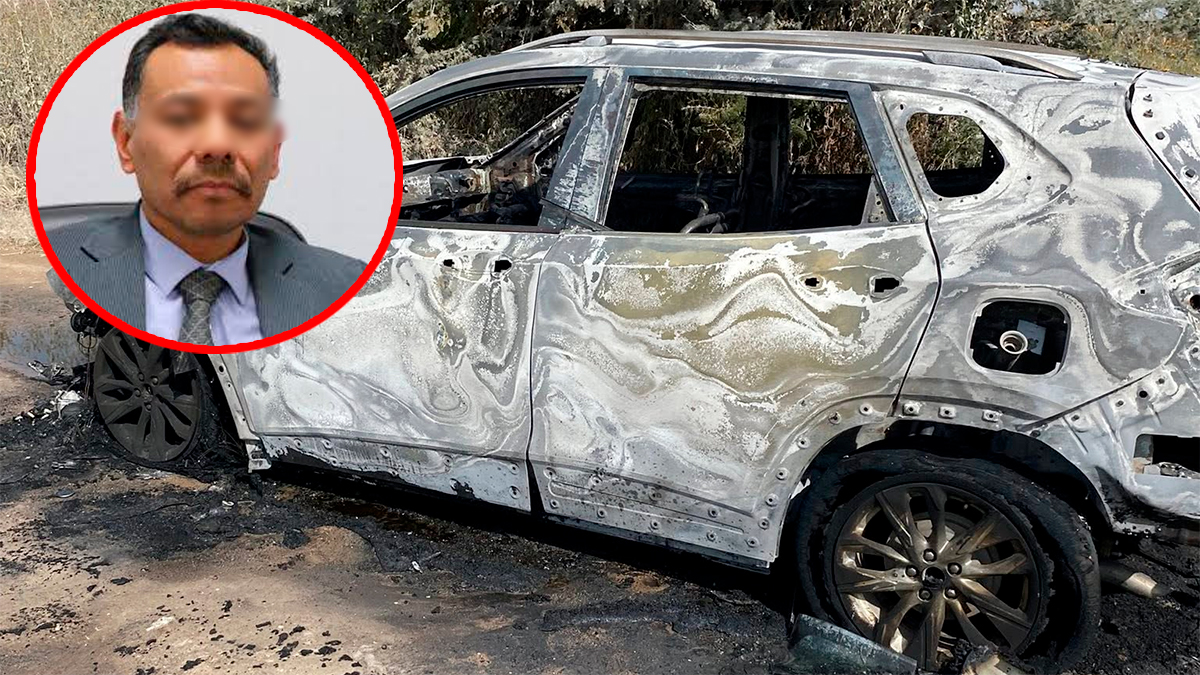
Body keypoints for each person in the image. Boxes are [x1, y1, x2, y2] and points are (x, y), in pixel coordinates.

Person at [47, 12, 366, 346]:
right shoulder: (68, 266)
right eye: (181, 117)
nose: (217, 145)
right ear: (126, 142)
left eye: (245, 120)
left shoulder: (345, 288)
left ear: (274, 153)